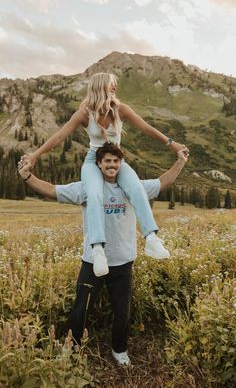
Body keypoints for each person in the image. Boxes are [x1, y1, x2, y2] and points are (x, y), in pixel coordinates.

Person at [18, 142, 189, 366]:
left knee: (122, 312)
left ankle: (120, 350)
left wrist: (180, 162)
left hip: (123, 261)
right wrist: (27, 177)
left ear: (121, 164)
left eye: (116, 161)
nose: (112, 165)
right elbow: (53, 190)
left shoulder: (133, 186)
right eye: (107, 161)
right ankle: (70, 350)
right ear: (98, 164)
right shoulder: (87, 188)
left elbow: (162, 182)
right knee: (80, 310)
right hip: (93, 262)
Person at [21, 72, 189, 278]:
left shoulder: (121, 110)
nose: (115, 89)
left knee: (136, 188)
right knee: (94, 193)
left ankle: (152, 238)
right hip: (93, 160)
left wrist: (174, 146)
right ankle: (98, 249)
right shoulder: (85, 113)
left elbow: (146, 128)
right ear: (100, 86)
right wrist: (35, 156)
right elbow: (60, 135)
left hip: (117, 158)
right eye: (111, 85)